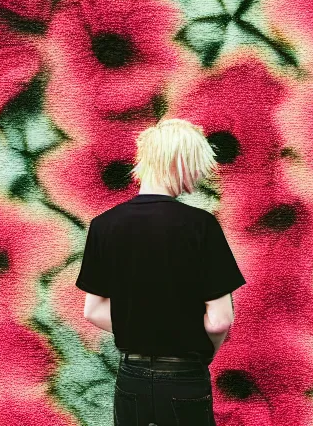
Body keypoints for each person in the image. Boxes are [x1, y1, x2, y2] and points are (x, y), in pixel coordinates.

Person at [75, 118, 247, 425]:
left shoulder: (104, 225)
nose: (200, 174)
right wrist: (197, 349)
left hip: (131, 380)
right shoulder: (201, 226)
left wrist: (142, 329)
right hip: (185, 376)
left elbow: (93, 311)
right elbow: (220, 320)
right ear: (180, 162)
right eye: (197, 164)